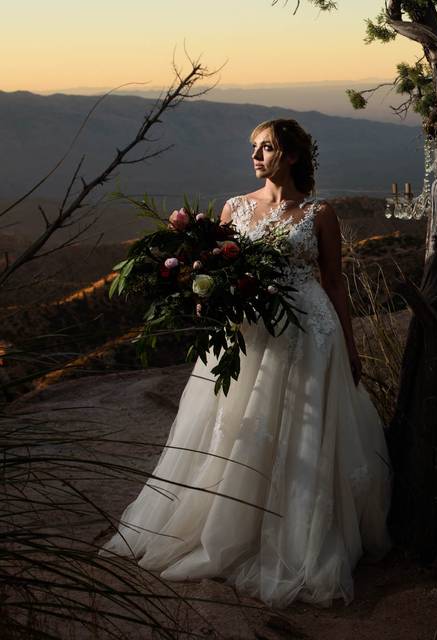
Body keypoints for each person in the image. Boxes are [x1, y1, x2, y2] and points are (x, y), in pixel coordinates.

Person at [100, 118, 391, 609]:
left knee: (305, 427)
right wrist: (204, 298)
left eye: (267, 147)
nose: (256, 156)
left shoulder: (320, 213)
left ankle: (296, 538)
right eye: (253, 147)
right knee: (237, 424)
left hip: (309, 330)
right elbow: (214, 268)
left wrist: (351, 343)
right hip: (248, 333)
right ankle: (230, 528)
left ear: (292, 156)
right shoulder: (235, 208)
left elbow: (335, 282)